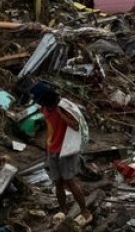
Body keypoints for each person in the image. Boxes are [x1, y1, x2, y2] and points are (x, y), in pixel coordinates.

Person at [32, 84, 92, 226]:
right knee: (58, 181)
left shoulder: (63, 107)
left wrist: (61, 114)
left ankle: (85, 212)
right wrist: (47, 147)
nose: (40, 104)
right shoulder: (45, 108)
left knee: (69, 181)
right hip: (53, 148)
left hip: (66, 149)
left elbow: (76, 125)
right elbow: (50, 127)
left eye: (41, 101)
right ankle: (63, 210)